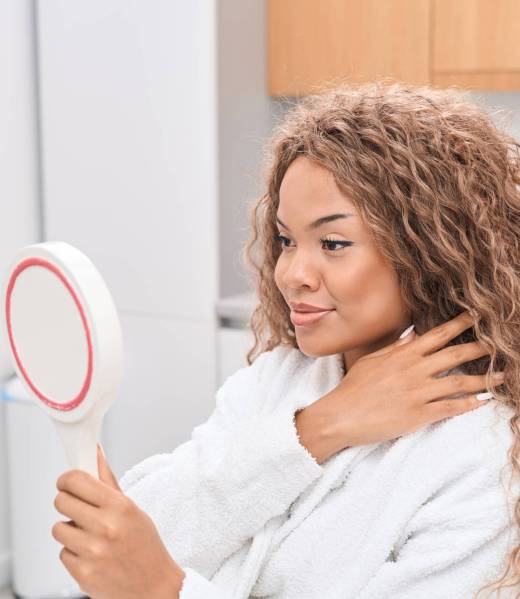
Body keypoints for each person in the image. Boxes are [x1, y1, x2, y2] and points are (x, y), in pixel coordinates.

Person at [52, 80, 520, 599]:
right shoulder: (283, 378)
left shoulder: (486, 456)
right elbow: (137, 537)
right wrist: (320, 427)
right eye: (285, 239)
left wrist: (168, 590)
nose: (291, 272)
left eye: (334, 243)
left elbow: (147, 571)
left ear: (433, 251)